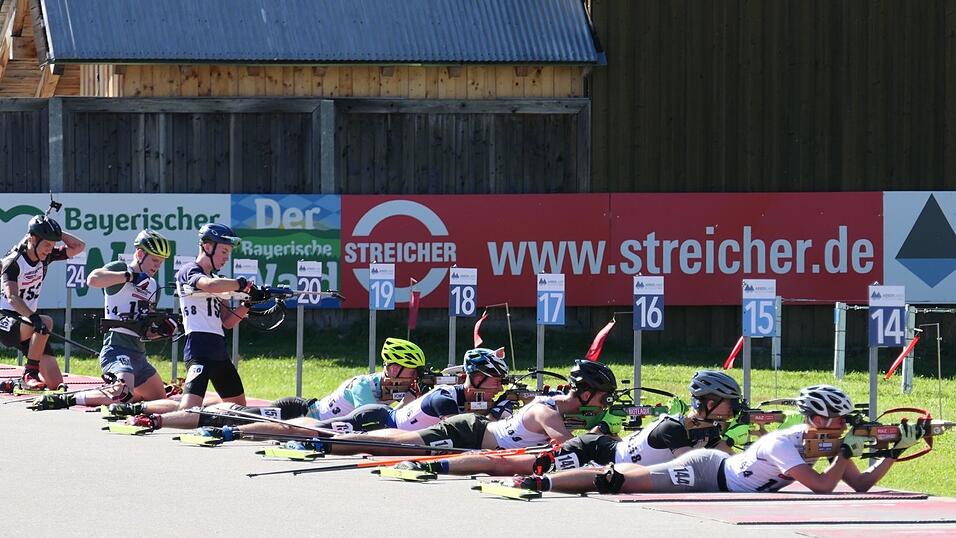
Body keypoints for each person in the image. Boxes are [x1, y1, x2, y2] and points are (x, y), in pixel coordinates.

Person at [505, 385, 920, 495]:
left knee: (629, 475)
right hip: (706, 471)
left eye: (846, 421)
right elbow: (825, 486)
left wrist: (893, 451)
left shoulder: (824, 444)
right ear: (815, 419)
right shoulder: (783, 443)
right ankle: (539, 481)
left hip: (721, 475)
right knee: (617, 481)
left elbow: (861, 484)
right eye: (838, 420)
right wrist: (847, 451)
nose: (843, 425)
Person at [396, 370, 740, 477]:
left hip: (604, 456)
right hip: (593, 451)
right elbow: (689, 470)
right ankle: (434, 464)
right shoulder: (675, 428)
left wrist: (745, 438)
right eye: (729, 404)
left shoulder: (706, 429)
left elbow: (728, 464)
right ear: (709, 403)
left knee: (516, 462)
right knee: (511, 464)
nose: (733, 408)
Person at [308, 360, 618, 457]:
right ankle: (325, 440)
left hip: (476, 436)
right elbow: (568, 446)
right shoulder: (549, 411)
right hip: (468, 431)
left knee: (401, 443)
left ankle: (331, 438)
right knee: (399, 444)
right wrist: (598, 432)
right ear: (587, 394)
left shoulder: (555, 410)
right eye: (604, 398)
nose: (604, 404)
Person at [131, 337, 429, 431]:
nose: (413, 378)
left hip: (305, 413)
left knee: (234, 415)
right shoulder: (365, 384)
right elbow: (372, 420)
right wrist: (406, 403)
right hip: (296, 413)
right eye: (410, 371)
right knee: (232, 417)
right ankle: (156, 417)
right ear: (393, 367)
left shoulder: (391, 385)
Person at [124, 223, 257, 429]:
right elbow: (208, 285)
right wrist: (241, 284)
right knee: (188, 411)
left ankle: (145, 409)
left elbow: (227, 322)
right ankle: (143, 413)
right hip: (199, 349)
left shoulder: (219, 280)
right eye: (223, 251)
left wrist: (248, 303)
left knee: (239, 410)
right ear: (207, 247)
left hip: (219, 352)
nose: (226, 257)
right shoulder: (189, 270)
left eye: (228, 253)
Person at [222, 347, 513, 439]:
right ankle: (234, 422)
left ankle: (237, 421)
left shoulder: (459, 396)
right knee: (305, 428)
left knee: (311, 430)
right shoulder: (447, 397)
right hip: (362, 418)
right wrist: (501, 411)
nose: (498, 388)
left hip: (382, 420)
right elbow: (464, 430)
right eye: (494, 382)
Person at [29, 230, 176, 410]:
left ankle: (118, 399)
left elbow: (145, 331)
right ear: (139, 254)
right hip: (116, 348)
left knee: (160, 401)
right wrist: (131, 277)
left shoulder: (153, 286)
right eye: (154, 260)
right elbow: (93, 279)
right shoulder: (120, 269)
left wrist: (161, 331)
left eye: (161, 262)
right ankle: (67, 399)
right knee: (122, 392)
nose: (157, 266)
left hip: (139, 354)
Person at [0, 214, 84, 391]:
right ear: (32, 239)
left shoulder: (45, 256)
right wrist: (33, 318)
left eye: (52, 245)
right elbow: (12, 298)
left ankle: (16, 382)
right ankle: (29, 372)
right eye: (47, 244)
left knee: (55, 384)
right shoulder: (13, 262)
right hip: (7, 320)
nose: (49, 249)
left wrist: (56, 233)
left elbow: (79, 246)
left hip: (31, 324)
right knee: (46, 321)